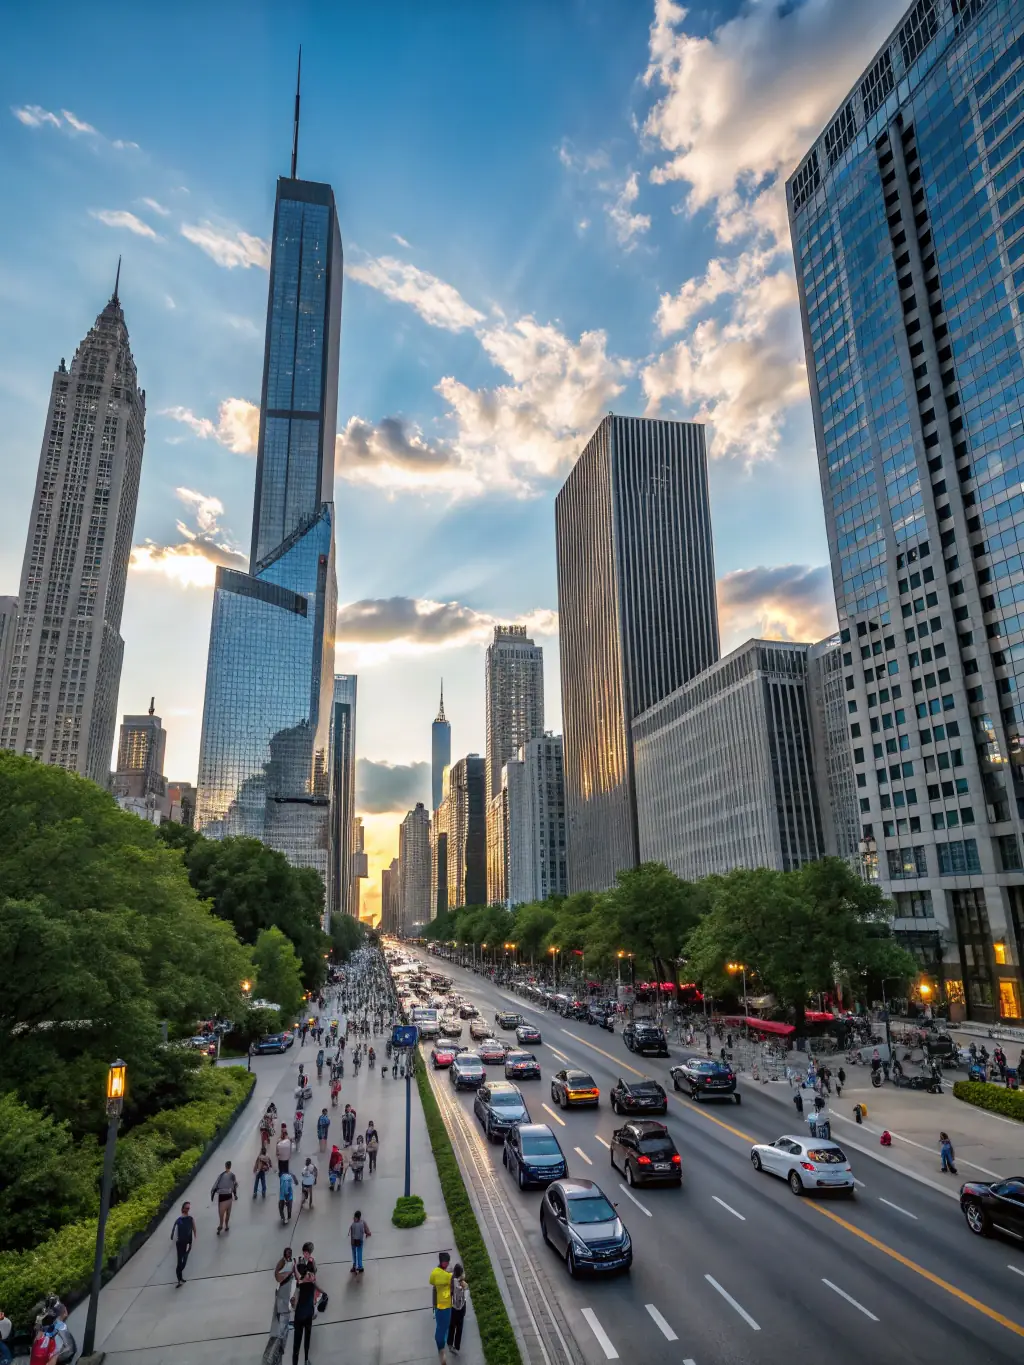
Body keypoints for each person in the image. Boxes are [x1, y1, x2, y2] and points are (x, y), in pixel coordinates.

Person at [290, 1253, 318, 1365]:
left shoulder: (300, 1282)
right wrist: (312, 1260)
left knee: (297, 1342)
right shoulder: (312, 1280)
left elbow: (296, 1273)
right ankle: (306, 1359)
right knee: (307, 1337)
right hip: (308, 1314)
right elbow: (313, 1270)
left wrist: (295, 1265)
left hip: (299, 1315)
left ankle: (295, 1363)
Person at [430, 1252, 454, 1364]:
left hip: (442, 1304)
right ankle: (441, 1347)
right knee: (443, 1327)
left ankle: (441, 1348)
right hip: (444, 1305)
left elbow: (432, 1284)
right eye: (446, 1262)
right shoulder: (446, 1275)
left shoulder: (437, 1272)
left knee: (442, 1326)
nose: (447, 1263)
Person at [171, 1200, 197, 1286]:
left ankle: (180, 1276)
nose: (188, 1209)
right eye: (186, 1208)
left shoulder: (190, 1218)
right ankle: (179, 1279)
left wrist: (194, 1238)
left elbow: (194, 1229)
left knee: (184, 1260)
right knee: (180, 1261)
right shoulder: (179, 1220)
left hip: (188, 1243)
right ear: (183, 1209)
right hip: (180, 1243)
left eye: (189, 1208)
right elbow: (174, 1233)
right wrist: (176, 1240)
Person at [446, 1263, 469, 1356]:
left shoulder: (451, 1279)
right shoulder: (462, 1285)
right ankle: (456, 1346)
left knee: (451, 1327)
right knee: (459, 1328)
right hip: (460, 1309)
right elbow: (464, 1296)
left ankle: (449, 1343)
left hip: (452, 1307)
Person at [211, 1160, 238, 1234]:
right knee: (228, 1213)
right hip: (229, 1197)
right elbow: (234, 1185)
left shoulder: (221, 1175)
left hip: (222, 1197)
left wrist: (212, 1195)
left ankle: (220, 1225)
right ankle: (226, 1226)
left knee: (221, 1213)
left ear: (225, 1166)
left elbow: (215, 1186)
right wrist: (235, 1195)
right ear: (230, 1166)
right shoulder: (232, 1175)